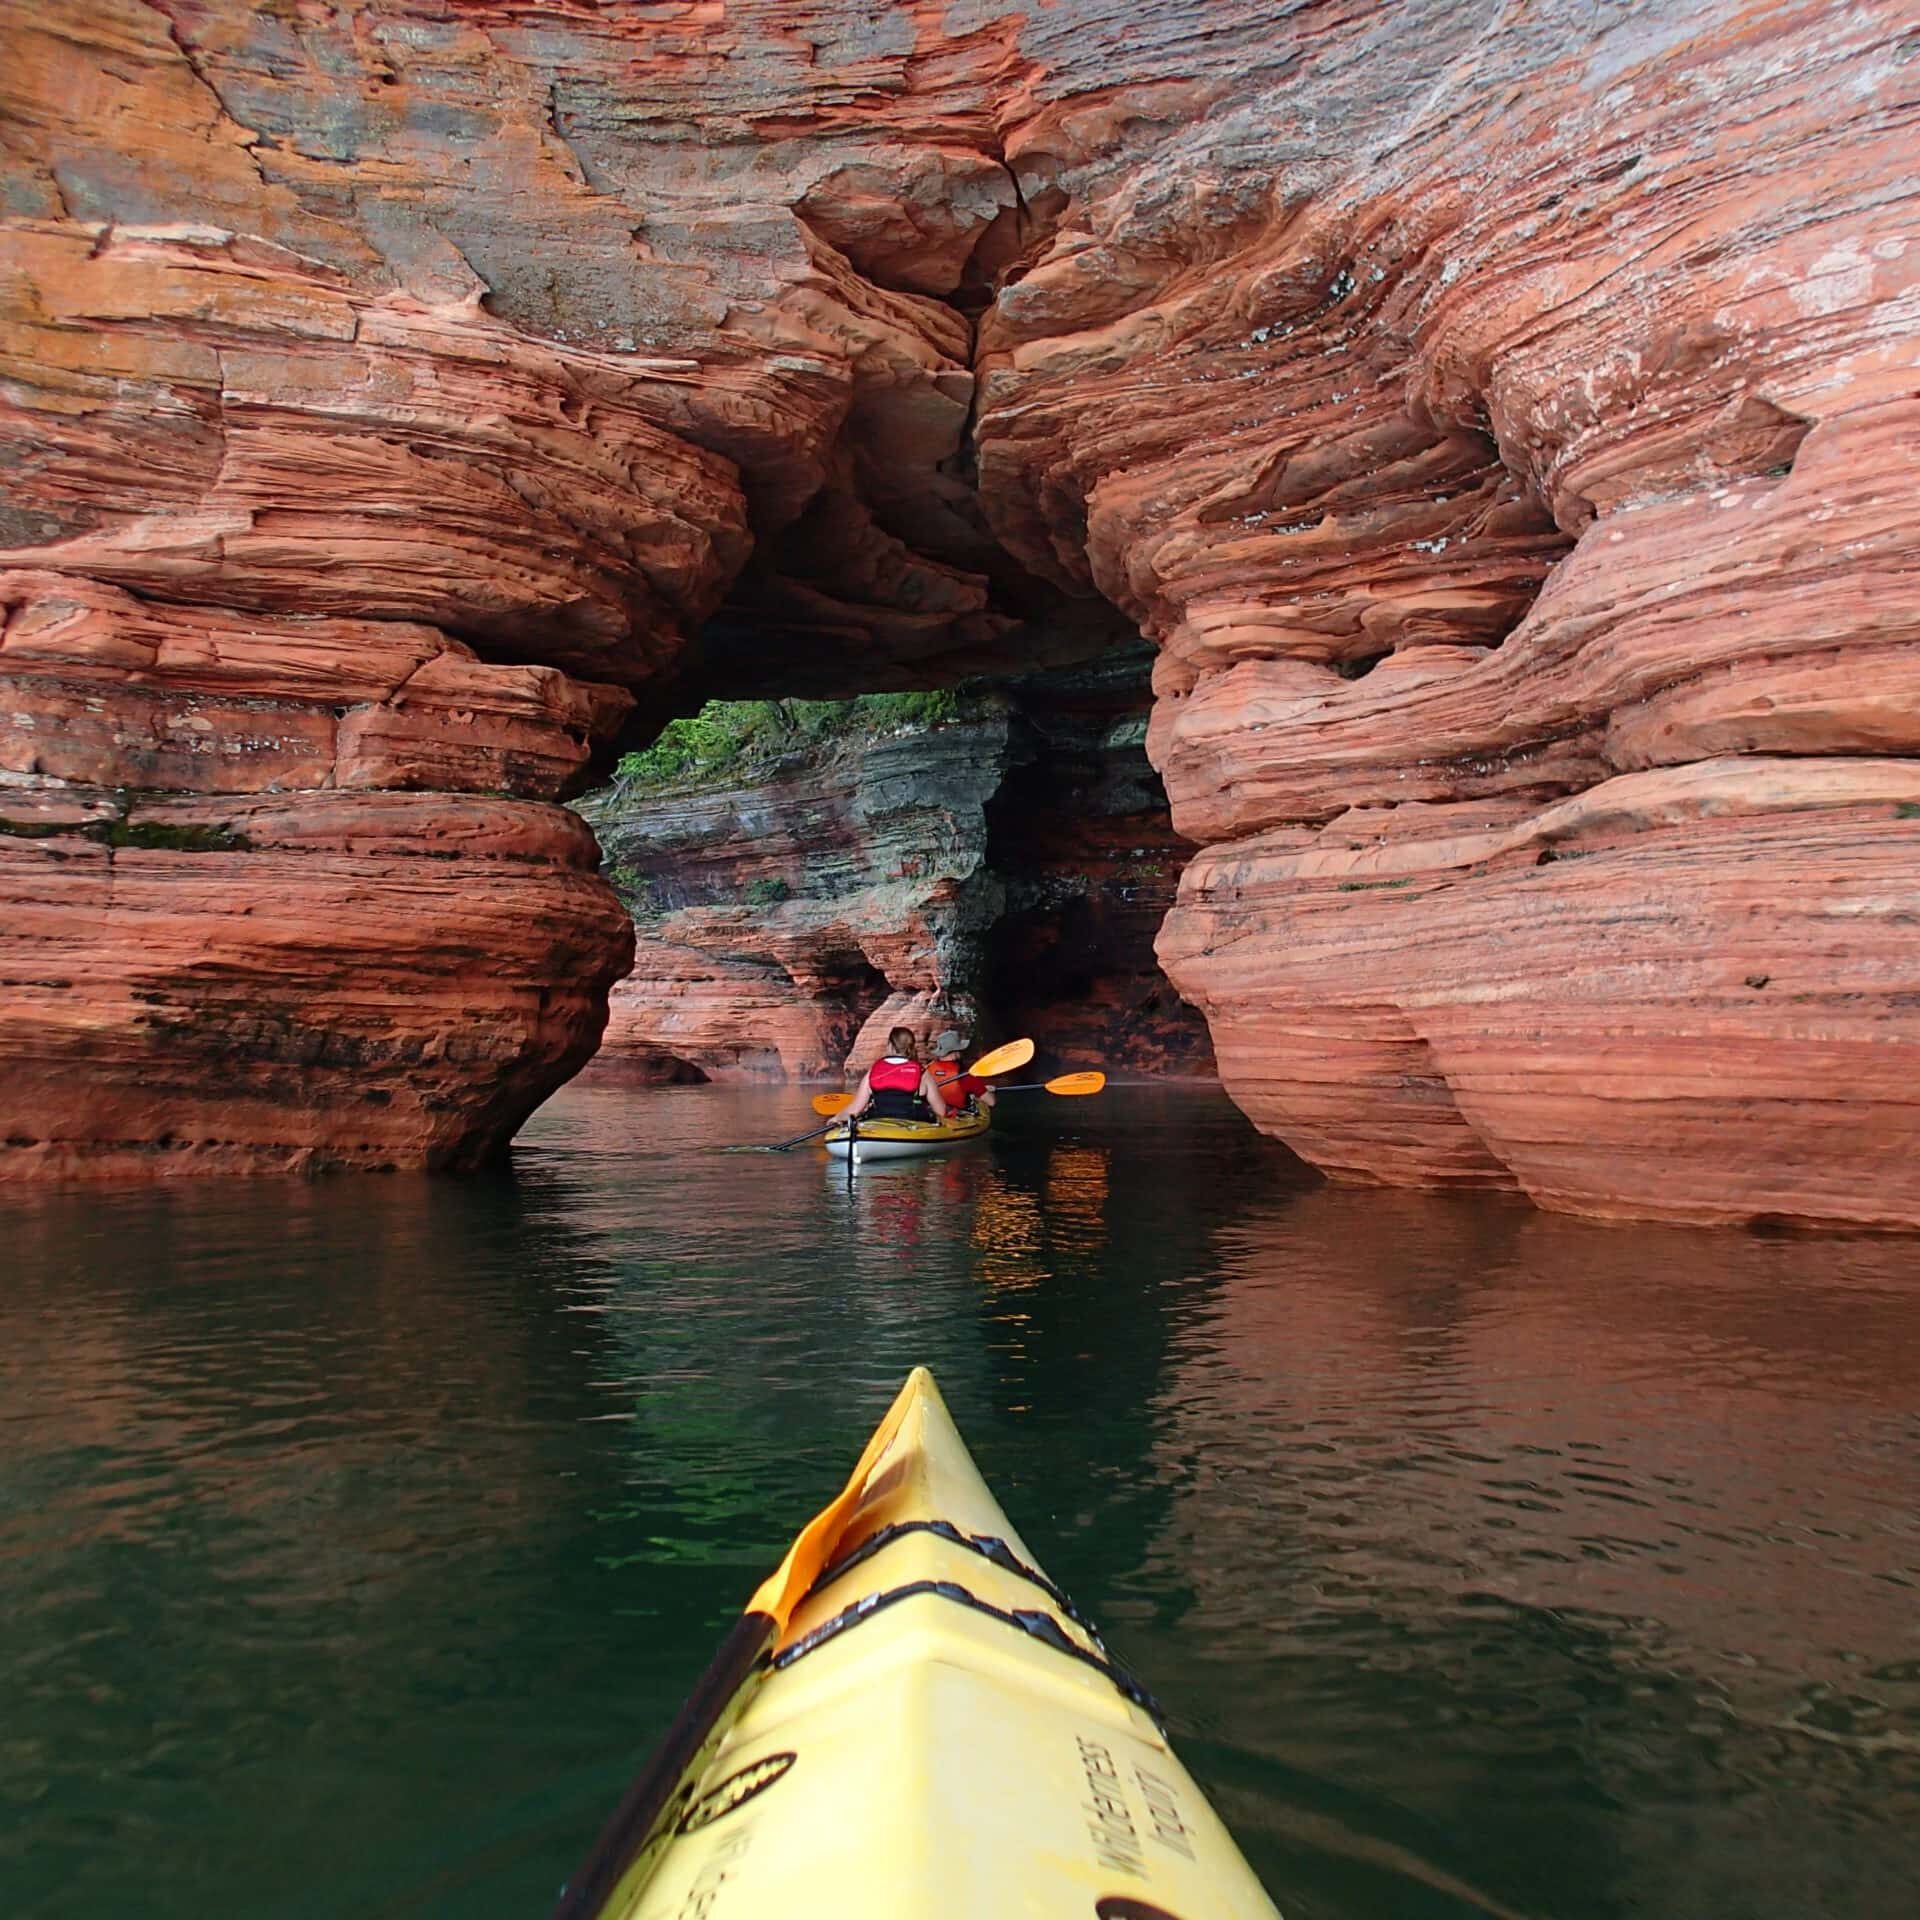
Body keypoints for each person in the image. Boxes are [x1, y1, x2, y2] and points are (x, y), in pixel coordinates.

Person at [843, 1026, 950, 1123]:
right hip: (915, 1127)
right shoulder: (922, 1073)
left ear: (890, 1045)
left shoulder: (874, 1071)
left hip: (878, 1125)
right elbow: (941, 1110)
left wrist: (837, 1118)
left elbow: (855, 1109)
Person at [929, 1028, 995, 1112]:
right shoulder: (965, 1075)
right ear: (956, 1052)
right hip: (955, 1118)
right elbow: (991, 1102)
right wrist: (989, 1092)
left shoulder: (927, 1070)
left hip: (931, 1115)